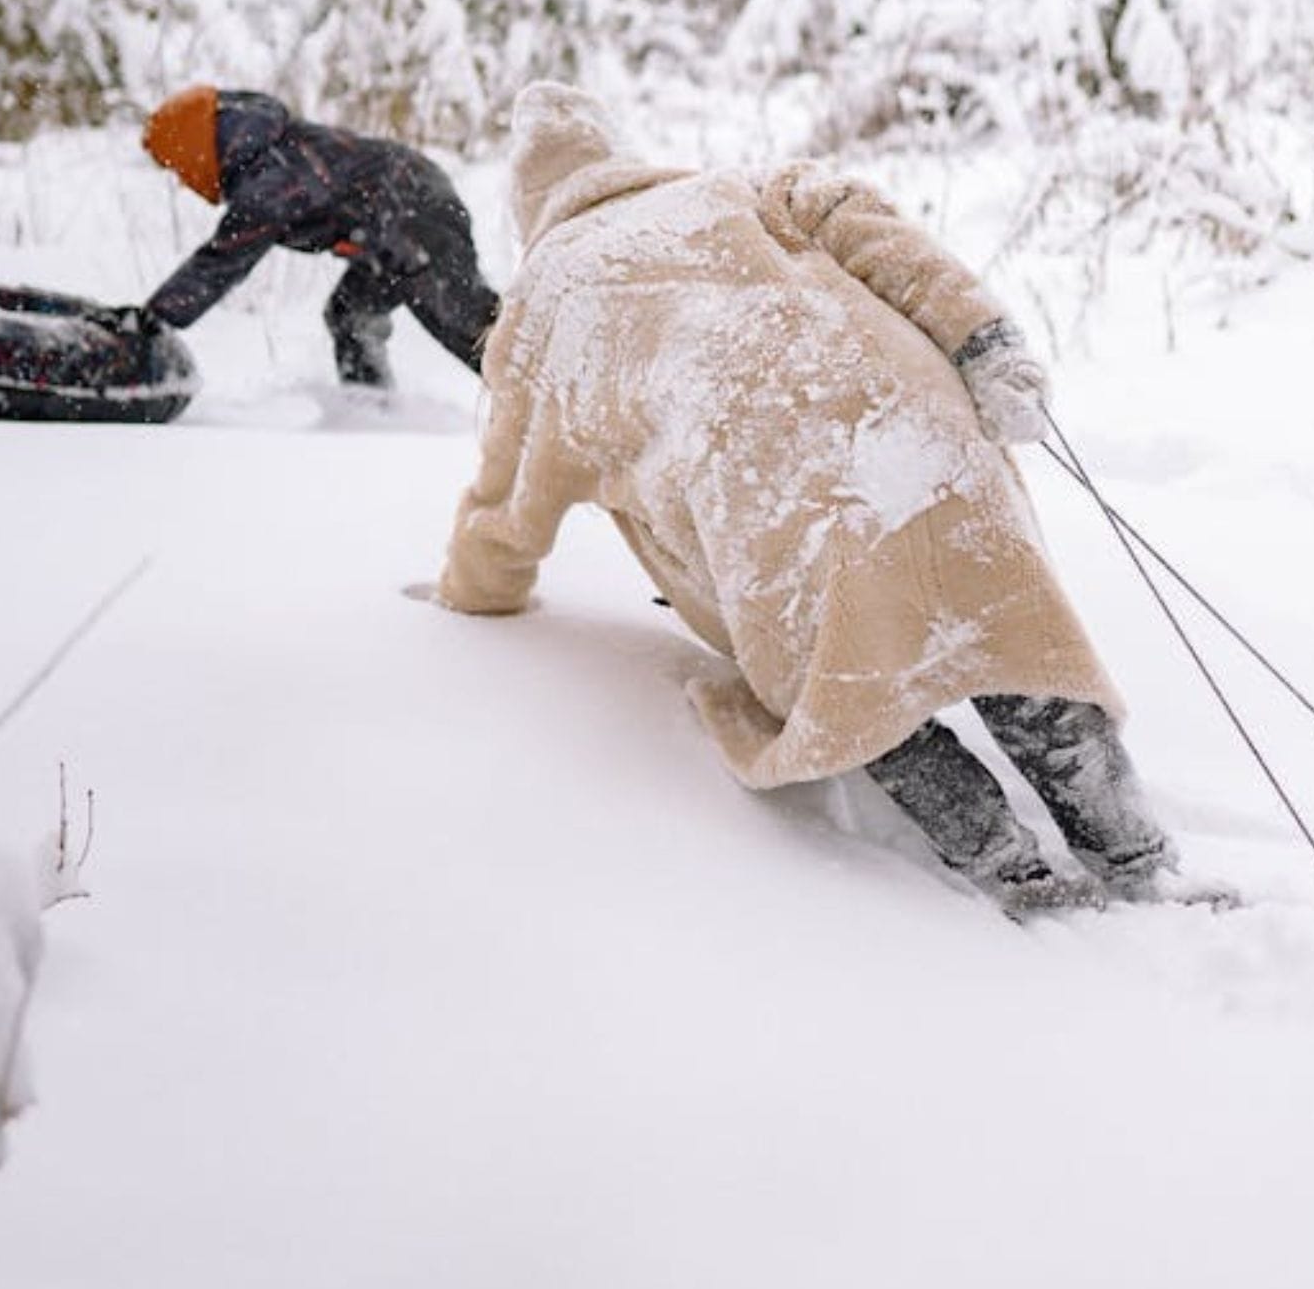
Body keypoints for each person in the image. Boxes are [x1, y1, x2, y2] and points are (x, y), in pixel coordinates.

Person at [429, 80, 1175, 912]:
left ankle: (1016, 876)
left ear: (528, 204)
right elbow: (874, 228)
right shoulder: (734, 187)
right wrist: (986, 344)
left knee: (865, 696)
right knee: (1009, 636)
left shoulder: (542, 308)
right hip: (918, 426)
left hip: (767, 495)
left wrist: (471, 590)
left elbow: (506, 511)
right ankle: (1140, 860)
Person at [127, 86, 501, 387]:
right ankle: (374, 415)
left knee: (473, 326)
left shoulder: (273, 176)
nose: (182, 180)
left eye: (178, 167)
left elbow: (224, 260)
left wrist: (153, 319)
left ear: (194, 148)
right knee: (350, 315)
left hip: (415, 208)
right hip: (396, 215)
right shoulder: (267, 156)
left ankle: (544, 404)